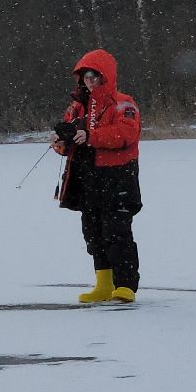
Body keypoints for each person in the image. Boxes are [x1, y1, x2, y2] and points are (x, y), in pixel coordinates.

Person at [52, 49, 141, 303]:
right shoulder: (77, 107)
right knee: (93, 231)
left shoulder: (124, 104)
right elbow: (69, 142)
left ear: (106, 77)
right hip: (87, 177)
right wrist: (61, 142)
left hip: (117, 176)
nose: (89, 81)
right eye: (84, 77)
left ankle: (125, 285)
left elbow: (125, 135)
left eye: (93, 76)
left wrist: (91, 137)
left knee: (117, 231)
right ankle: (103, 284)